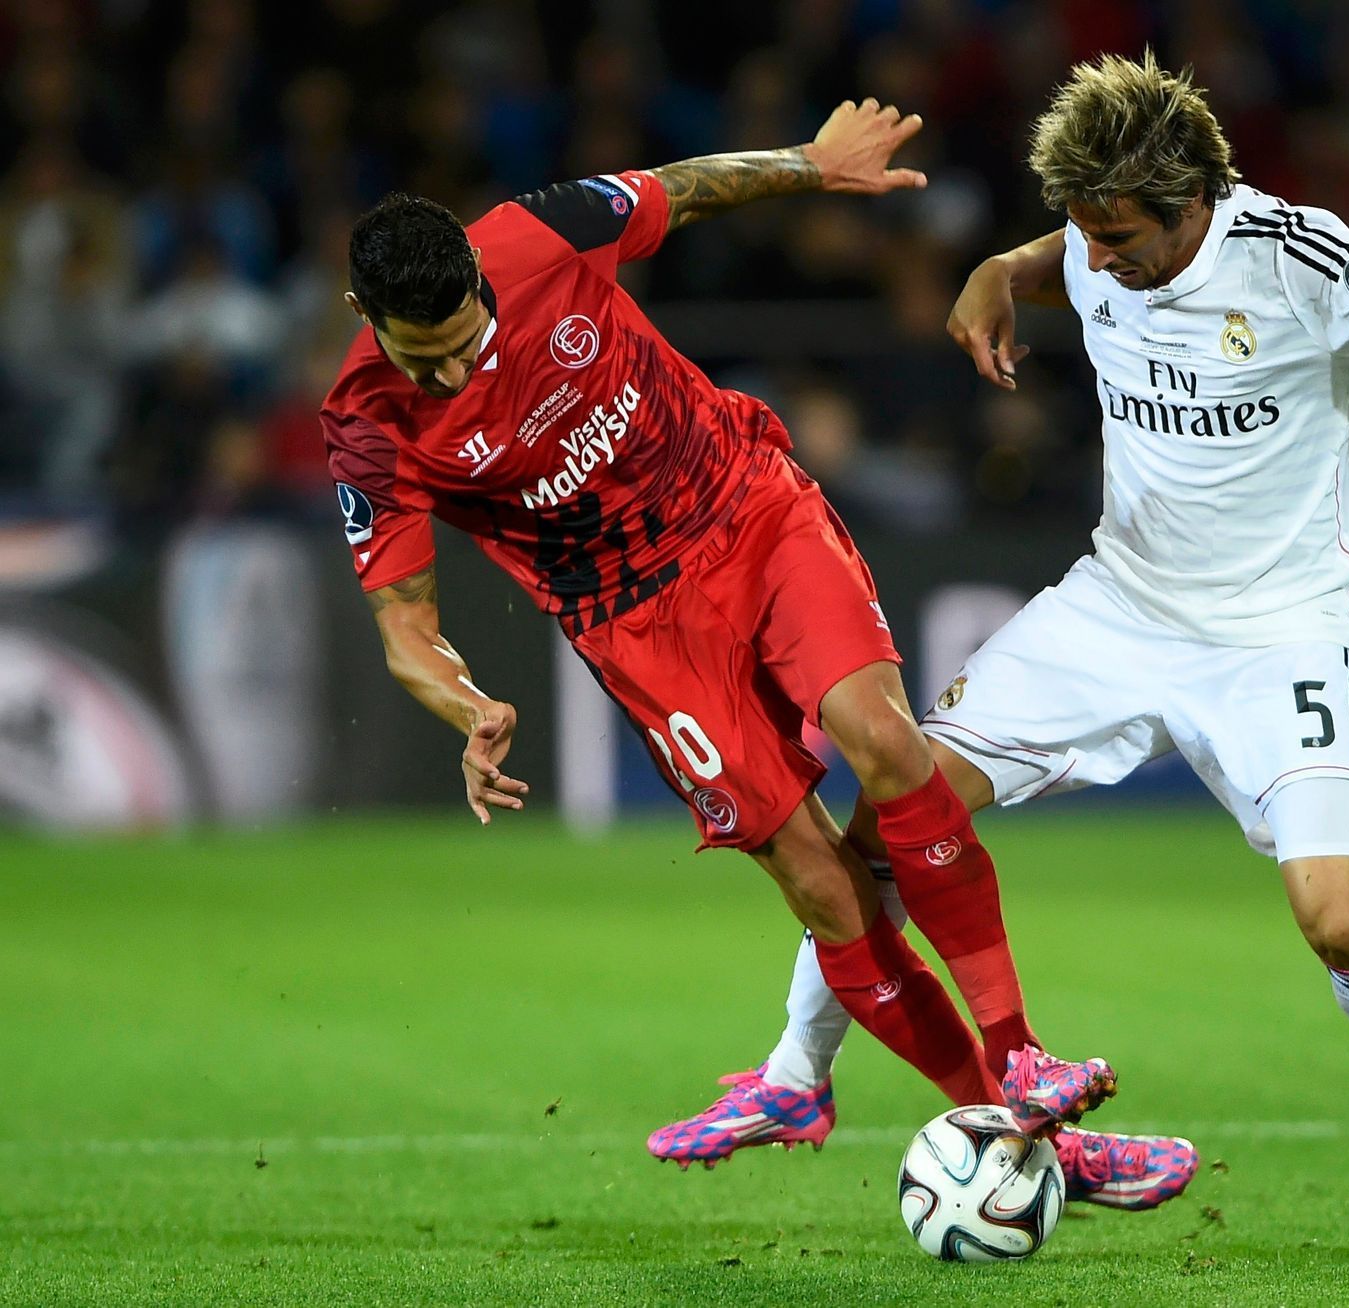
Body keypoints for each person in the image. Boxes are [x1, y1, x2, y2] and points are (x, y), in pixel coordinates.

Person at [652, 53, 1349, 1251]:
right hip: (1122, 605)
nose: (1100, 252)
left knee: (1338, 919)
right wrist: (994, 270)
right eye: (1082, 229)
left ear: (1193, 198)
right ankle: (794, 1071)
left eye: (1122, 232)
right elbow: (1051, 260)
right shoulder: (1094, 239)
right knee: (892, 811)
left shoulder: (1298, 259)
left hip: (1279, 630)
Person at [318, 99, 1165, 1184]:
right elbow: (404, 627)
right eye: (418, 357)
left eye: (461, 343)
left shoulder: (534, 235)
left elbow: (681, 186)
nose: (444, 374)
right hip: (635, 624)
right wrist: (466, 702)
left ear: (480, 282)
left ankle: (1020, 1050)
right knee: (819, 884)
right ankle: (1026, 1132)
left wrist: (811, 164)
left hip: (746, 507)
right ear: (362, 313)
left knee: (880, 736)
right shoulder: (365, 423)